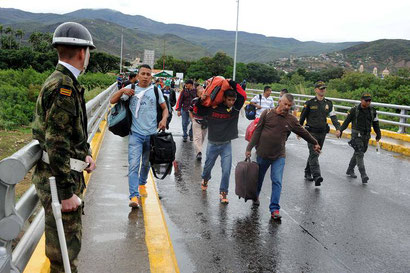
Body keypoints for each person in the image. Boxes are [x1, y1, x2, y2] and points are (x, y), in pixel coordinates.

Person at [31, 22, 97, 273]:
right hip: (59, 182)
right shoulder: (64, 88)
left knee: (67, 249)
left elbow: (73, 132)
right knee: (64, 255)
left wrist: (86, 154)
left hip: (62, 175)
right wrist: (67, 192)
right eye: (88, 52)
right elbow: (57, 142)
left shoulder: (64, 81)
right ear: (82, 53)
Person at [245, 94, 320, 220]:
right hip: (262, 154)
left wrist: (315, 142)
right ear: (279, 101)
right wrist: (249, 148)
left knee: (277, 181)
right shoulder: (267, 113)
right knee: (259, 179)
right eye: (285, 104)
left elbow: (303, 132)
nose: (287, 107)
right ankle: (255, 196)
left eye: (289, 106)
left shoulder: (291, 119)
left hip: (279, 155)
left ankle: (274, 209)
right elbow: (257, 131)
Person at [110, 64, 168, 208]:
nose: (145, 76)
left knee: (146, 164)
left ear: (151, 77)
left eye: (148, 74)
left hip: (151, 135)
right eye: (143, 73)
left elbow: (165, 108)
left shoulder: (155, 90)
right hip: (135, 134)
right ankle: (133, 196)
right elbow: (112, 100)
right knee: (134, 165)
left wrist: (164, 119)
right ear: (138, 75)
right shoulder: (131, 89)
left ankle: (142, 184)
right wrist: (123, 90)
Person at [196, 81, 246, 204]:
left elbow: (243, 96)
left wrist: (231, 83)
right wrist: (200, 99)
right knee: (208, 167)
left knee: (227, 170)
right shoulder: (212, 109)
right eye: (229, 99)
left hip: (226, 145)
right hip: (212, 144)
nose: (231, 102)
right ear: (223, 98)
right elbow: (198, 110)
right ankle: (205, 179)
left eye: (233, 100)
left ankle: (223, 193)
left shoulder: (234, 110)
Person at [299, 81, 341, 186]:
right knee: (314, 152)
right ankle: (317, 176)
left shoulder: (328, 103)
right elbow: (302, 118)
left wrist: (338, 128)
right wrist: (299, 131)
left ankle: (307, 171)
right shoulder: (309, 103)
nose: (323, 90)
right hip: (311, 133)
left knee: (315, 154)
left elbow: (333, 117)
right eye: (320, 88)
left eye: (324, 88)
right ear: (316, 90)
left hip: (322, 133)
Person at [337, 93, 381, 183]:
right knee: (360, 153)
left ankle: (350, 169)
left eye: (369, 100)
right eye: (366, 100)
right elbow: (346, 122)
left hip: (366, 136)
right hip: (356, 136)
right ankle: (363, 175)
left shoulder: (373, 111)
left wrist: (378, 134)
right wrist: (340, 130)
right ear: (361, 100)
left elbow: (376, 124)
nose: (368, 102)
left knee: (359, 152)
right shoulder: (354, 110)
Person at [189, 85, 208, 161]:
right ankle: (199, 152)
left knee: (202, 138)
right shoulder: (194, 101)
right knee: (197, 138)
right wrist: (192, 119)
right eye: (200, 93)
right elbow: (190, 110)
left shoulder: (208, 102)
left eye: (203, 93)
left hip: (205, 122)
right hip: (196, 121)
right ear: (197, 94)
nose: (202, 95)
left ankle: (198, 150)